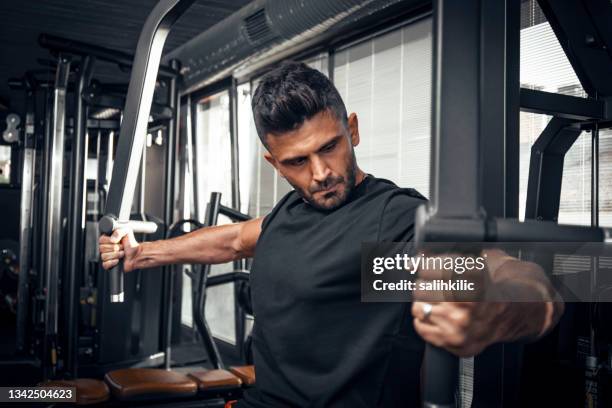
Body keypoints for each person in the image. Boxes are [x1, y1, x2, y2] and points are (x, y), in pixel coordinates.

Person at [99, 62, 563, 407]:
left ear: (352, 130)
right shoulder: (290, 210)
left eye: (330, 147)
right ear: (274, 164)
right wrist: (143, 253)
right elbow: (235, 239)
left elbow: (516, 279)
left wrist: (502, 310)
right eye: (297, 162)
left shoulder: (394, 221)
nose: (320, 173)